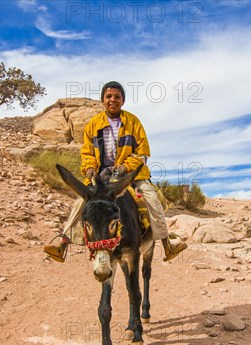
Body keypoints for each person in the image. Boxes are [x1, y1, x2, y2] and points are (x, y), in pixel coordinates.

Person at [44, 81, 187, 262]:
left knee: (151, 198)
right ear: (102, 100)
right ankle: (63, 245)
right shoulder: (93, 125)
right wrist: (89, 168)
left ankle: (167, 244)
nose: (113, 100)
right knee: (80, 202)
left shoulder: (133, 122)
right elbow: (87, 152)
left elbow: (142, 153)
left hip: (130, 174)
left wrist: (125, 167)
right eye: (109, 97)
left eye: (117, 97)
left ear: (123, 101)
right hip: (102, 177)